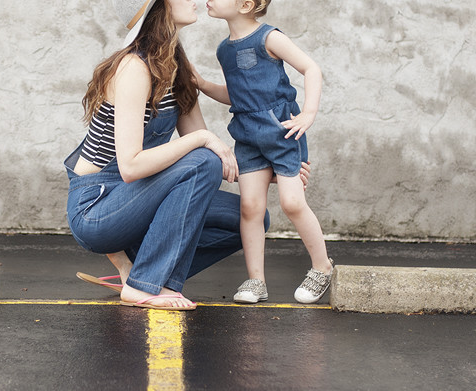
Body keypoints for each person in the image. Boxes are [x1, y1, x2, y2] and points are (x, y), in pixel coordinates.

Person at [64, 0, 311, 310]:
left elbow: (214, 160)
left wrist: (275, 169)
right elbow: (130, 166)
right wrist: (204, 139)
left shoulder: (176, 68)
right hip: (98, 208)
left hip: (139, 197)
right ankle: (146, 285)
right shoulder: (133, 68)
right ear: (159, 7)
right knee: (201, 158)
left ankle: (141, 269)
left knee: (252, 218)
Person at [194, 0, 334, 304]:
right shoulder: (223, 50)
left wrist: (308, 113)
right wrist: (203, 85)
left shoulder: (269, 38)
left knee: (293, 203)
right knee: (250, 208)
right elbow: (237, 93)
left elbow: (311, 68)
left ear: (246, 5)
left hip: (283, 131)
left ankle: (322, 267)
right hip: (247, 136)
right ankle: (256, 280)